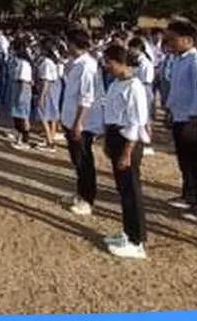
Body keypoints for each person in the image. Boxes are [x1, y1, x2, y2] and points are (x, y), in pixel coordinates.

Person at [99, 43, 150, 260]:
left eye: (109, 62)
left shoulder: (134, 87)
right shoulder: (115, 84)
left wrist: (127, 151)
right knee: (122, 189)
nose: (106, 66)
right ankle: (128, 233)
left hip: (127, 140)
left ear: (121, 62)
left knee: (131, 190)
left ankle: (137, 240)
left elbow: (136, 121)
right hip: (115, 136)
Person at [163, 20, 197, 222]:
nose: (169, 43)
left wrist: (193, 120)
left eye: (172, 39)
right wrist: (169, 109)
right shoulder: (178, 60)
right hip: (179, 116)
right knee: (185, 161)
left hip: (195, 120)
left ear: (187, 40)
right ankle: (189, 194)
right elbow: (176, 90)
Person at [60, 29, 100, 217]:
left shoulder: (87, 67)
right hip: (70, 119)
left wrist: (78, 124)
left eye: (69, 43)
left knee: (84, 161)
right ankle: (80, 193)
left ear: (75, 44)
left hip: (82, 124)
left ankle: (88, 199)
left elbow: (86, 98)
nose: (66, 46)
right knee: (77, 160)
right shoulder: (75, 64)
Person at [128, 37, 157, 157]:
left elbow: (146, 81)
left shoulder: (145, 63)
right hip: (137, 90)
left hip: (144, 90)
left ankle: (148, 144)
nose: (130, 51)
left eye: (132, 48)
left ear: (139, 49)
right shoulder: (134, 62)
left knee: (146, 119)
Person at [33, 45, 61, 152]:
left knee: (43, 114)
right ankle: (50, 137)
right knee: (52, 115)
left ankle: (50, 142)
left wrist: (41, 96)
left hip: (48, 89)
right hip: (53, 88)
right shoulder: (51, 61)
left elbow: (45, 81)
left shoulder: (45, 63)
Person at [8, 41, 35, 149]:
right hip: (16, 86)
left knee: (23, 115)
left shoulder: (24, 64)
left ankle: (25, 140)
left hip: (22, 88)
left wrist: (21, 95)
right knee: (17, 114)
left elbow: (24, 81)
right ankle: (18, 137)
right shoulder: (17, 61)